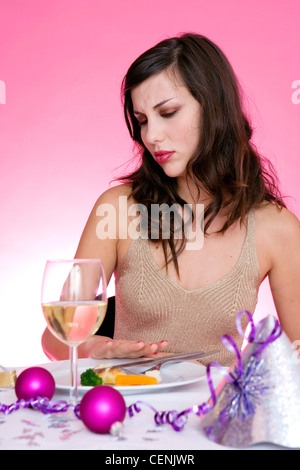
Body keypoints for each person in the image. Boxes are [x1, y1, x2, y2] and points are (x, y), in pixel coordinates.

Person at [42, 33, 300, 366]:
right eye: (143, 120)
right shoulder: (118, 211)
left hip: (219, 417)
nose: (151, 136)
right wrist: (97, 348)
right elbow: (56, 338)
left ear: (214, 108)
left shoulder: (275, 227)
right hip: (127, 413)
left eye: (169, 112)